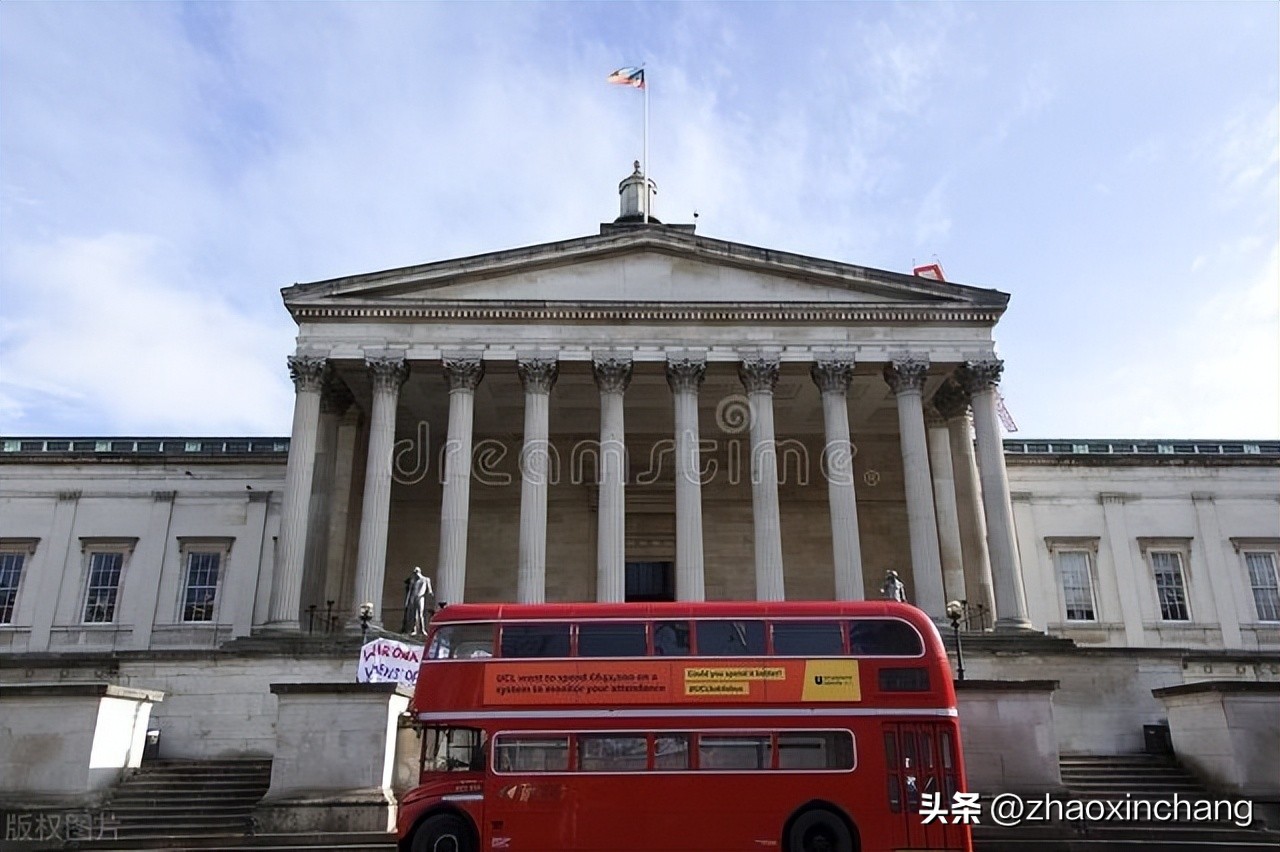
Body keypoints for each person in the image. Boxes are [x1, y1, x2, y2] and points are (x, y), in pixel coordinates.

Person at [403, 567, 433, 635]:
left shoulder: (426, 579)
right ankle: (414, 629)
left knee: (420, 613)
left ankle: (422, 629)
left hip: (421, 597)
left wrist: (430, 594)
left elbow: (429, 590)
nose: (415, 575)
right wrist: (408, 600)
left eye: (415, 573)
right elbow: (410, 591)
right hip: (414, 597)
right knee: (414, 614)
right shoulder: (414, 581)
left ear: (418, 572)